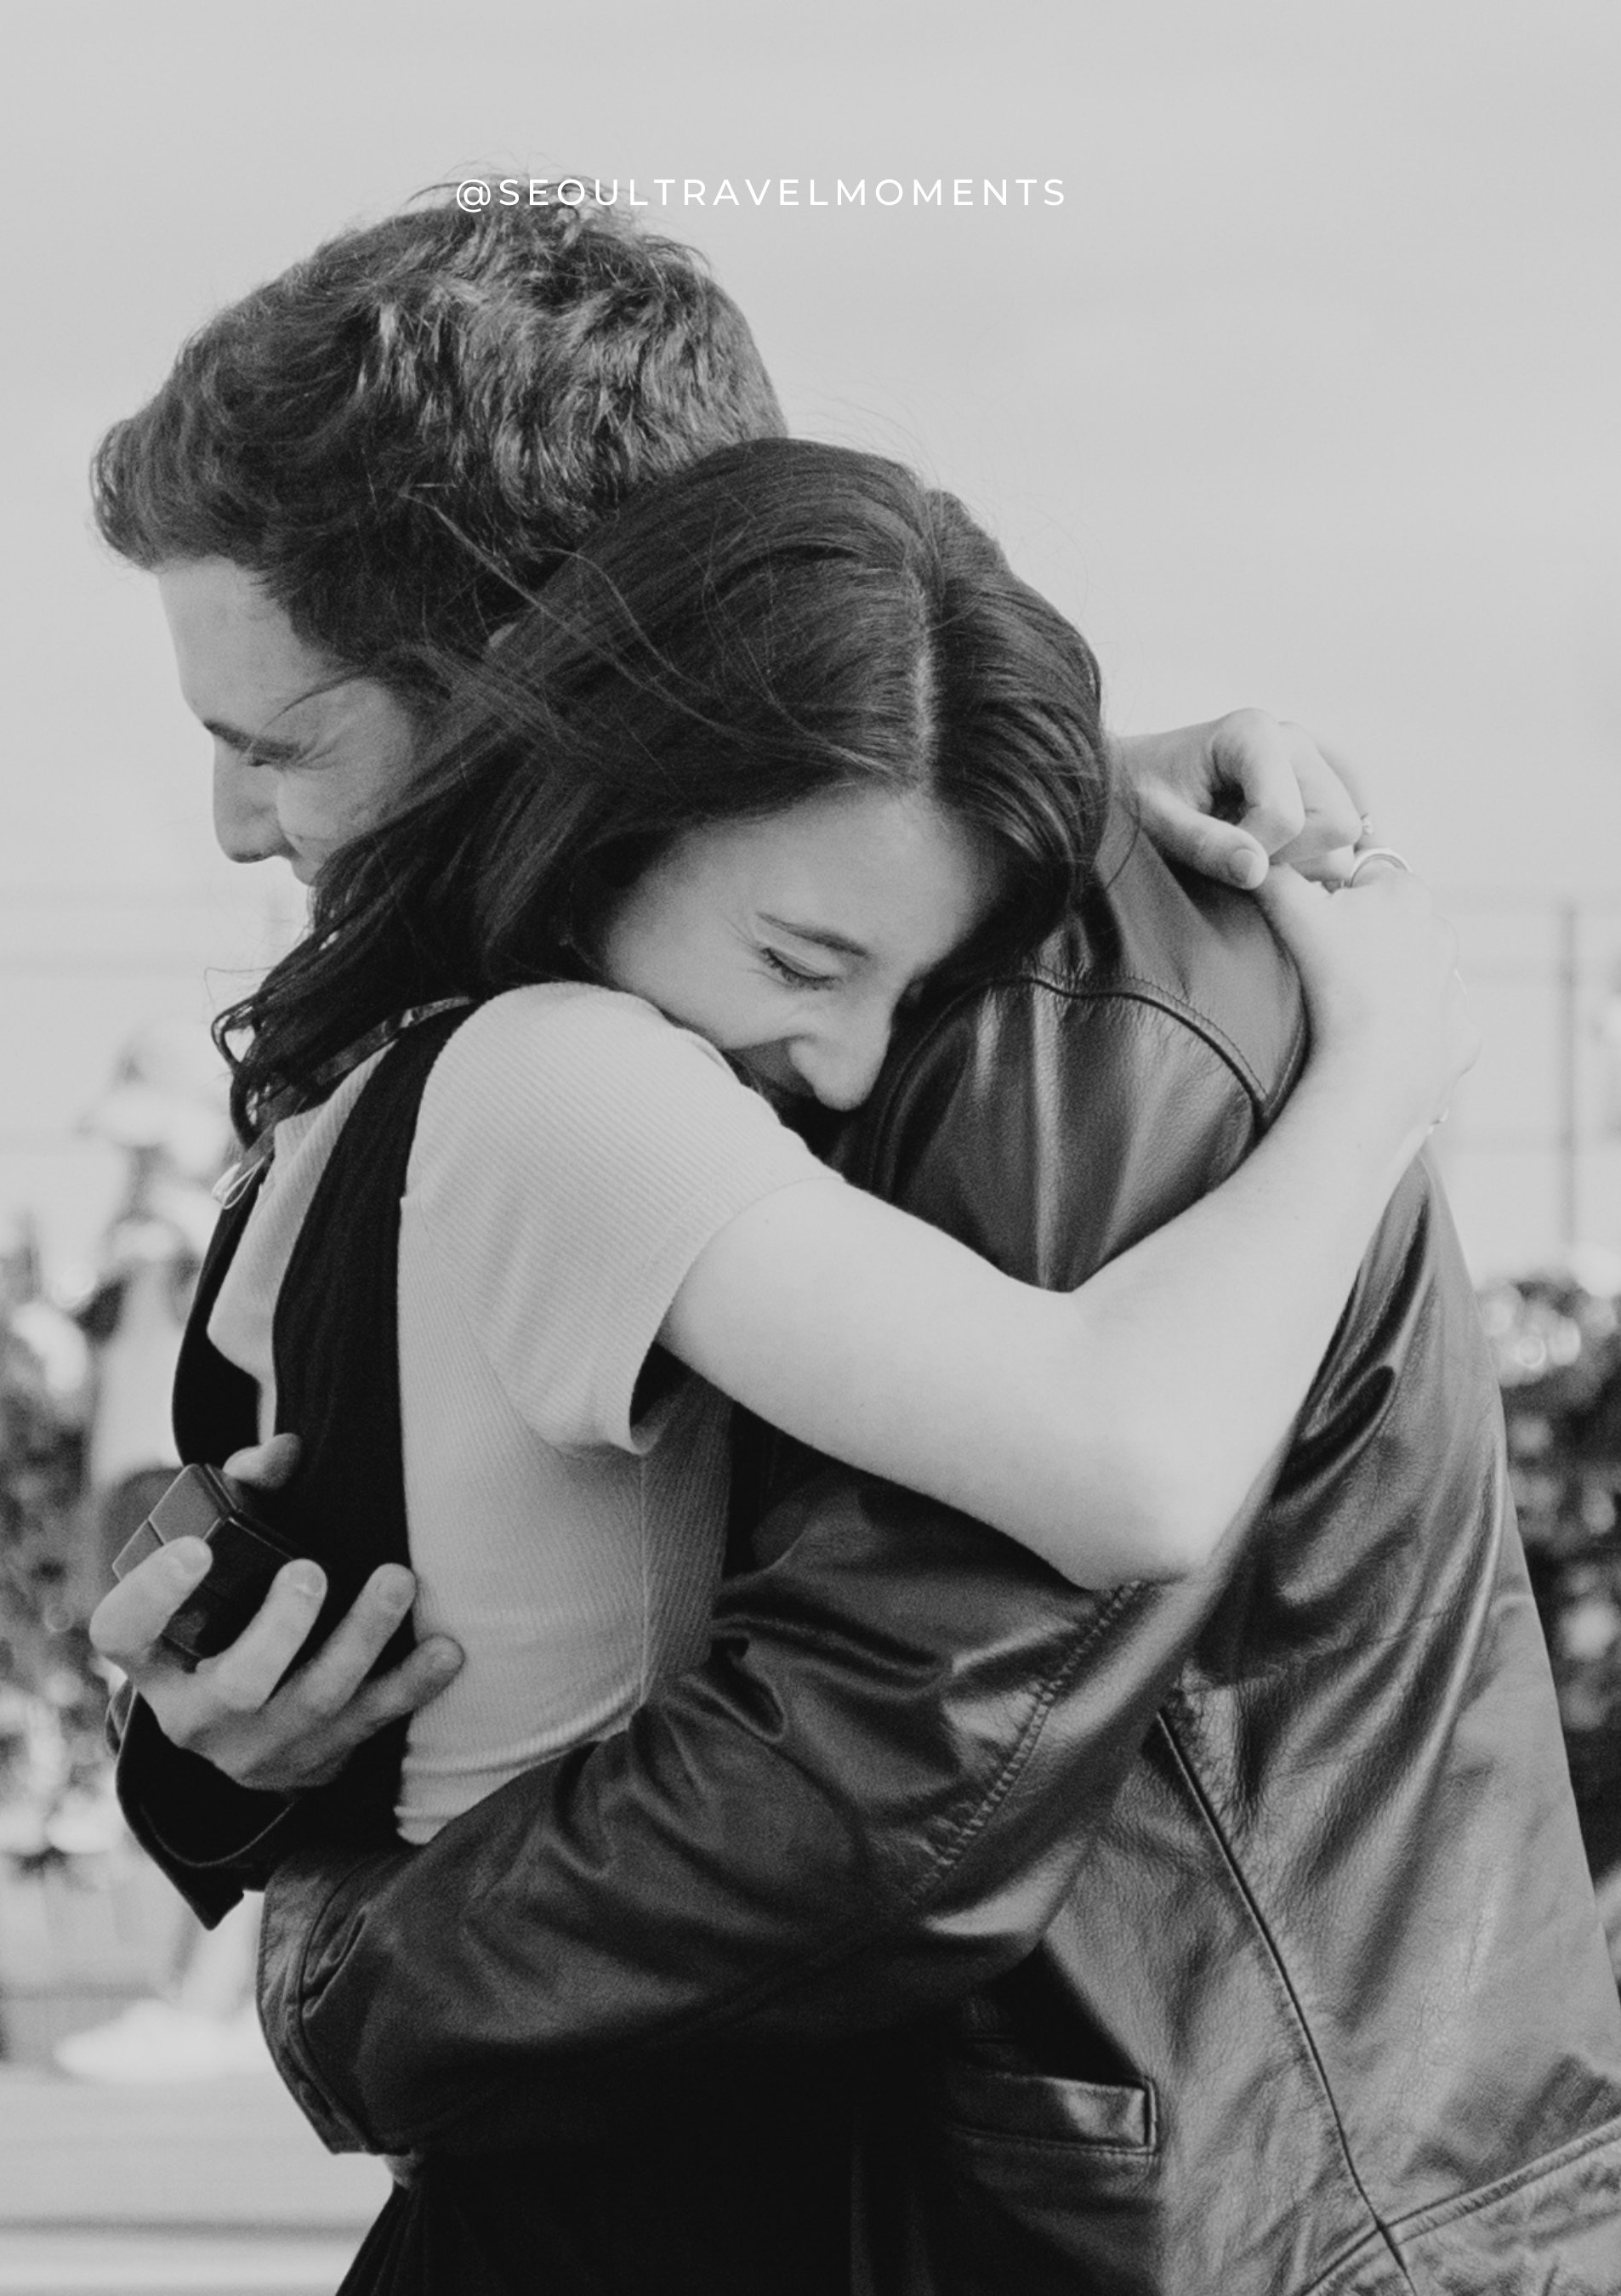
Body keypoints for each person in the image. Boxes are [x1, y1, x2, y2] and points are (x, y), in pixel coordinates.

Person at [89, 190, 1621, 2289]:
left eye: (282, 740)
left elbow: (887, 1766)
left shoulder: (1052, 1028)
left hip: (1202, 2223)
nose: (236, 826)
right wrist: (223, 1756)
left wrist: (345, 1985)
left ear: (565, 686)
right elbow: (377, 1542)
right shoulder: (601, 1008)